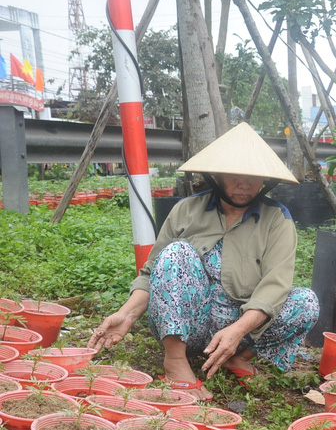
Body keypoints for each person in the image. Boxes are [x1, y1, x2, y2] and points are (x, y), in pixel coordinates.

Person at [88, 123, 320, 401]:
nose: (244, 184)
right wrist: (127, 313)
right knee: (176, 253)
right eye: (235, 174)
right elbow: (151, 272)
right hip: (191, 326)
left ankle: (239, 359)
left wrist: (237, 330)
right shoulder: (185, 210)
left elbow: (275, 286)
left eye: (253, 176)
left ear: (265, 180)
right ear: (218, 174)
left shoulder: (277, 220)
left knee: (306, 301)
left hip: (241, 329)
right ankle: (175, 361)